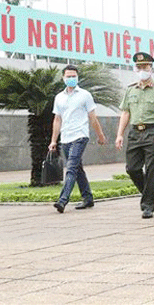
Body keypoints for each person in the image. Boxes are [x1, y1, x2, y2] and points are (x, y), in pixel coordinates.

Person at [115, 52, 154, 219]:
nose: (142, 70)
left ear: (151, 68)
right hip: (134, 132)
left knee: (152, 169)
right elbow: (126, 112)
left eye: (145, 67)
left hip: (153, 131)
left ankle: (148, 205)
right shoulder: (130, 90)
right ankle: (150, 191)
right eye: (139, 67)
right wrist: (120, 134)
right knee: (132, 168)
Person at [50, 65, 106, 213]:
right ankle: (88, 198)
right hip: (66, 138)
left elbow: (92, 117)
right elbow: (57, 119)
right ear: (63, 78)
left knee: (71, 167)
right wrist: (53, 140)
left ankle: (62, 200)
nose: (71, 79)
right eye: (68, 76)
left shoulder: (85, 95)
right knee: (77, 169)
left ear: (78, 77)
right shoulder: (59, 98)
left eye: (74, 76)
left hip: (80, 136)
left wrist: (100, 135)